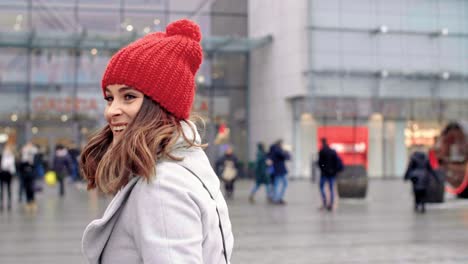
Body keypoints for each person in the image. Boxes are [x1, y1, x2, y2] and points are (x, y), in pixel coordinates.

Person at [80, 19, 234, 264]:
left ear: (161, 104)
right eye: (110, 98)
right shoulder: (181, 165)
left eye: (128, 96)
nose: (111, 111)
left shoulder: (162, 186)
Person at [318, 138, 343, 211]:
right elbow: (336, 162)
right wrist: (334, 170)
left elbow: (320, 163)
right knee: (331, 188)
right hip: (331, 173)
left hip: (324, 173)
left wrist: (323, 168)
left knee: (321, 187)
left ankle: (325, 202)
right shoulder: (332, 151)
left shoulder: (322, 152)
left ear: (322, 143)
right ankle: (331, 204)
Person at [269, 139, 291, 205]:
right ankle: (277, 198)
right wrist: (287, 151)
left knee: (276, 184)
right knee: (281, 184)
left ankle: (276, 198)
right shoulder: (277, 150)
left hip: (277, 170)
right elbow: (287, 157)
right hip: (279, 170)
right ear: (280, 144)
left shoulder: (274, 150)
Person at [0, 144, 16, 211]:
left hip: (9, 173)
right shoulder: (2, 156)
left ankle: (9, 203)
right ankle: (1, 203)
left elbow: (11, 166)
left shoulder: (11, 157)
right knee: (2, 189)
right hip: (2, 173)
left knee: (9, 188)